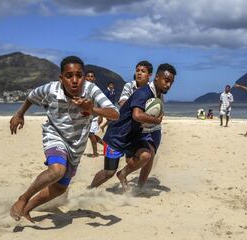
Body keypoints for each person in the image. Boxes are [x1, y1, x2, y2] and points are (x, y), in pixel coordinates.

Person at [9, 56, 119, 222]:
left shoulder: (91, 90)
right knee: (57, 170)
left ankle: (27, 209)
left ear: (84, 76)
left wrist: (92, 109)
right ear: (61, 78)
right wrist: (19, 114)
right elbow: (31, 97)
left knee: (60, 188)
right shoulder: (51, 89)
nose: (75, 80)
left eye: (79, 75)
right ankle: (23, 198)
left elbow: (115, 114)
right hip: (55, 134)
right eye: (69, 76)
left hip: (77, 144)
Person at [89, 63, 177, 191]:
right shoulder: (144, 92)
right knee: (109, 172)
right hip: (117, 136)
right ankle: (89, 190)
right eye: (166, 80)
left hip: (133, 136)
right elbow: (137, 115)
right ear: (157, 77)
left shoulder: (157, 95)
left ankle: (123, 174)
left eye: (171, 82)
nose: (168, 85)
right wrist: (155, 120)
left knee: (147, 155)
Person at [85, 70, 104, 157]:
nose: (90, 78)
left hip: (95, 116)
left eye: (91, 76)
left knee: (91, 134)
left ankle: (95, 153)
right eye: (88, 76)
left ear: (94, 78)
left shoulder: (96, 89)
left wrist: (101, 116)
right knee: (90, 135)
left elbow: (100, 103)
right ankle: (106, 146)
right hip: (86, 116)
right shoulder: (83, 88)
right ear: (85, 78)